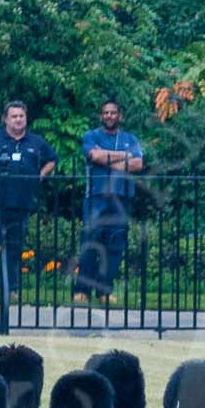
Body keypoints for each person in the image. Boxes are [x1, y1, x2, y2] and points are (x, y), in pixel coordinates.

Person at [0, 100, 58, 301]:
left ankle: (12, 290)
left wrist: (40, 175)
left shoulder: (36, 142)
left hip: (22, 203)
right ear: (5, 119)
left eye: (21, 116)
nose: (18, 119)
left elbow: (52, 159)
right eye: (14, 116)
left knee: (15, 248)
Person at [73, 98, 144, 305]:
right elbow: (95, 156)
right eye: (106, 113)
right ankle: (81, 290)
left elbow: (138, 164)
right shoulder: (91, 135)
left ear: (120, 116)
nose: (110, 116)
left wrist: (108, 159)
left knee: (115, 245)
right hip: (96, 197)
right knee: (90, 242)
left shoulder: (130, 138)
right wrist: (124, 157)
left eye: (114, 113)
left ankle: (104, 291)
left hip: (121, 198)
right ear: (101, 116)